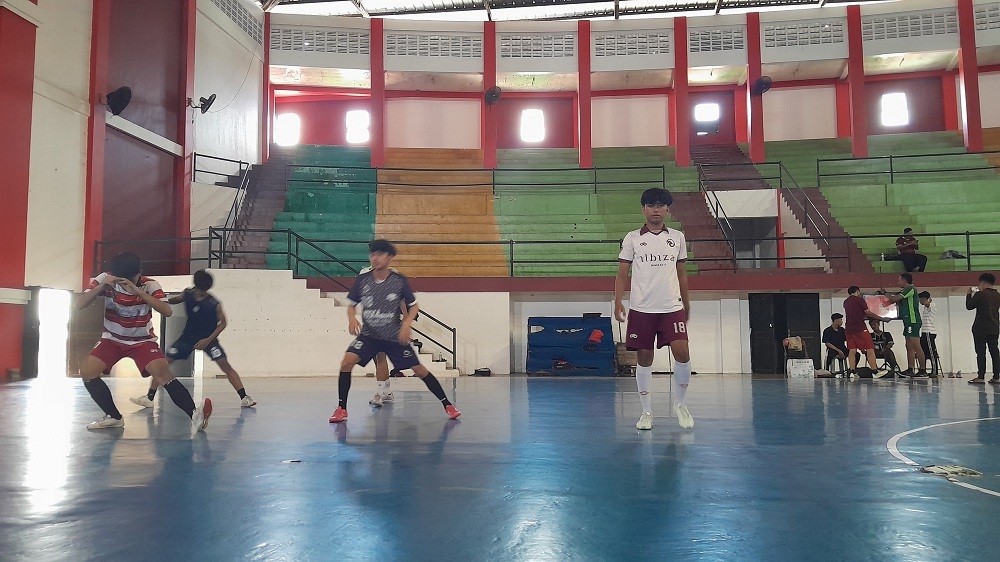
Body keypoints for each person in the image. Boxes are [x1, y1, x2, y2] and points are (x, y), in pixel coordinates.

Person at [76, 252, 212, 431]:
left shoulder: (150, 285)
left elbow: (167, 311)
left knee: (162, 373)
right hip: (112, 338)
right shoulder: (104, 279)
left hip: (142, 341)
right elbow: (79, 304)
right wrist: (100, 287)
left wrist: (138, 292)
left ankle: (196, 415)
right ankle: (114, 417)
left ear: (139, 273)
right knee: (88, 371)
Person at [329, 239, 460, 422]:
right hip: (369, 336)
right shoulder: (363, 280)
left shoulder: (398, 281)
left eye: (380, 254)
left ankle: (448, 405)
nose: (375, 258)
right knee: (346, 363)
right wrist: (351, 318)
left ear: (390, 258)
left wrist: (406, 324)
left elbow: (414, 306)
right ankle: (342, 409)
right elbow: (351, 304)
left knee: (420, 370)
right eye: (373, 254)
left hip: (393, 337)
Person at [615, 187, 693, 431]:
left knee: (682, 352)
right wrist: (618, 300)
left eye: (660, 205)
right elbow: (621, 274)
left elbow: (682, 273)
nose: (655, 209)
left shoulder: (678, 238)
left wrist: (687, 301)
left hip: (671, 306)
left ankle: (680, 405)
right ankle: (646, 412)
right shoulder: (632, 238)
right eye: (650, 205)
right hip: (641, 308)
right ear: (644, 209)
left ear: (667, 210)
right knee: (644, 358)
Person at [130, 270, 256, 410]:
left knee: (225, 366)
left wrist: (207, 340)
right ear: (196, 286)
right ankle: (149, 398)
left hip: (209, 340)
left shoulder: (214, 303)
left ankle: (244, 397)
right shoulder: (187, 294)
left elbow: (223, 323)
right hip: (187, 338)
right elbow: (172, 300)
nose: (202, 293)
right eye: (201, 290)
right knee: (163, 364)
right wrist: (155, 301)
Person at [880, 273, 927, 378]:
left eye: (899, 280)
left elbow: (894, 299)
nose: (898, 282)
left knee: (916, 346)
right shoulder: (904, 291)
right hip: (907, 321)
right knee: (909, 346)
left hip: (913, 321)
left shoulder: (910, 289)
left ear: (905, 280)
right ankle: (910, 369)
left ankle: (922, 370)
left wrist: (885, 293)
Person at [842, 286, 890, 377]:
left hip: (848, 328)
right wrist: (882, 319)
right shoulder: (860, 300)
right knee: (870, 348)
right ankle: (874, 371)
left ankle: (852, 371)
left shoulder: (846, 302)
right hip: (860, 327)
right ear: (857, 291)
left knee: (852, 350)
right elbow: (868, 313)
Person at [966, 273, 1000, 384]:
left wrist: (969, 295)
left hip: (980, 328)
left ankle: (981, 376)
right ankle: (996, 376)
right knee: (994, 352)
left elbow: (969, 306)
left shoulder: (980, 294)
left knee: (981, 353)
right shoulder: (998, 295)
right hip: (994, 327)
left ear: (983, 282)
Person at [918, 291, 941, 377]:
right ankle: (923, 370)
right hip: (924, 332)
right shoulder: (925, 308)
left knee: (931, 353)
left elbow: (928, 304)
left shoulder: (932, 305)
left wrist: (927, 301)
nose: (920, 302)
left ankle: (934, 371)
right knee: (924, 352)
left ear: (924, 299)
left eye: (920, 300)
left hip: (929, 332)